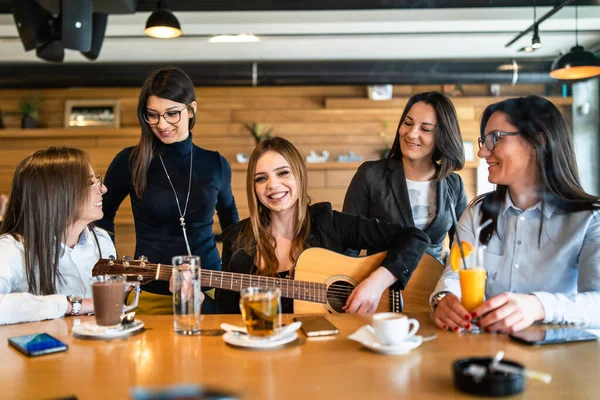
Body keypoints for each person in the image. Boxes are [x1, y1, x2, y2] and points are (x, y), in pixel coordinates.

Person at [431, 95, 600, 333]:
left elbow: (596, 304)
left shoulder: (590, 219)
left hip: (558, 361)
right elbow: (456, 275)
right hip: (487, 356)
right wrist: (444, 298)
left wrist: (538, 306)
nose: (482, 152)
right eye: (484, 141)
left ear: (537, 142)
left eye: (495, 139)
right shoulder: (477, 213)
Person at [215, 137, 430, 314]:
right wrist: (197, 300)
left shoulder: (329, 223)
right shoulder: (237, 238)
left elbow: (415, 237)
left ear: (299, 175)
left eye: (283, 173)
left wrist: (377, 283)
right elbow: (225, 314)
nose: (272, 185)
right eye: (261, 179)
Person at [97, 67, 239, 314]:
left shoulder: (216, 164)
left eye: (172, 114)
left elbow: (232, 228)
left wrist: (230, 280)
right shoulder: (129, 160)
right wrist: (113, 266)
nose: (161, 124)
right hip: (151, 292)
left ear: (191, 109)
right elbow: (102, 216)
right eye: (152, 115)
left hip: (208, 292)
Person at [343, 91, 467, 263]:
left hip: (433, 286)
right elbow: (348, 243)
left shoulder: (455, 184)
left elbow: (463, 248)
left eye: (425, 129)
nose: (411, 133)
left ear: (442, 136)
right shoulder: (370, 175)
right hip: (381, 287)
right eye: (408, 123)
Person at [0, 147, 116, 325]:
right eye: (90, 183)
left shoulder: (101, 241)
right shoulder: (13, 249)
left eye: (97, 180)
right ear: (57, 194)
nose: (103, 188)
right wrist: (71, 305)